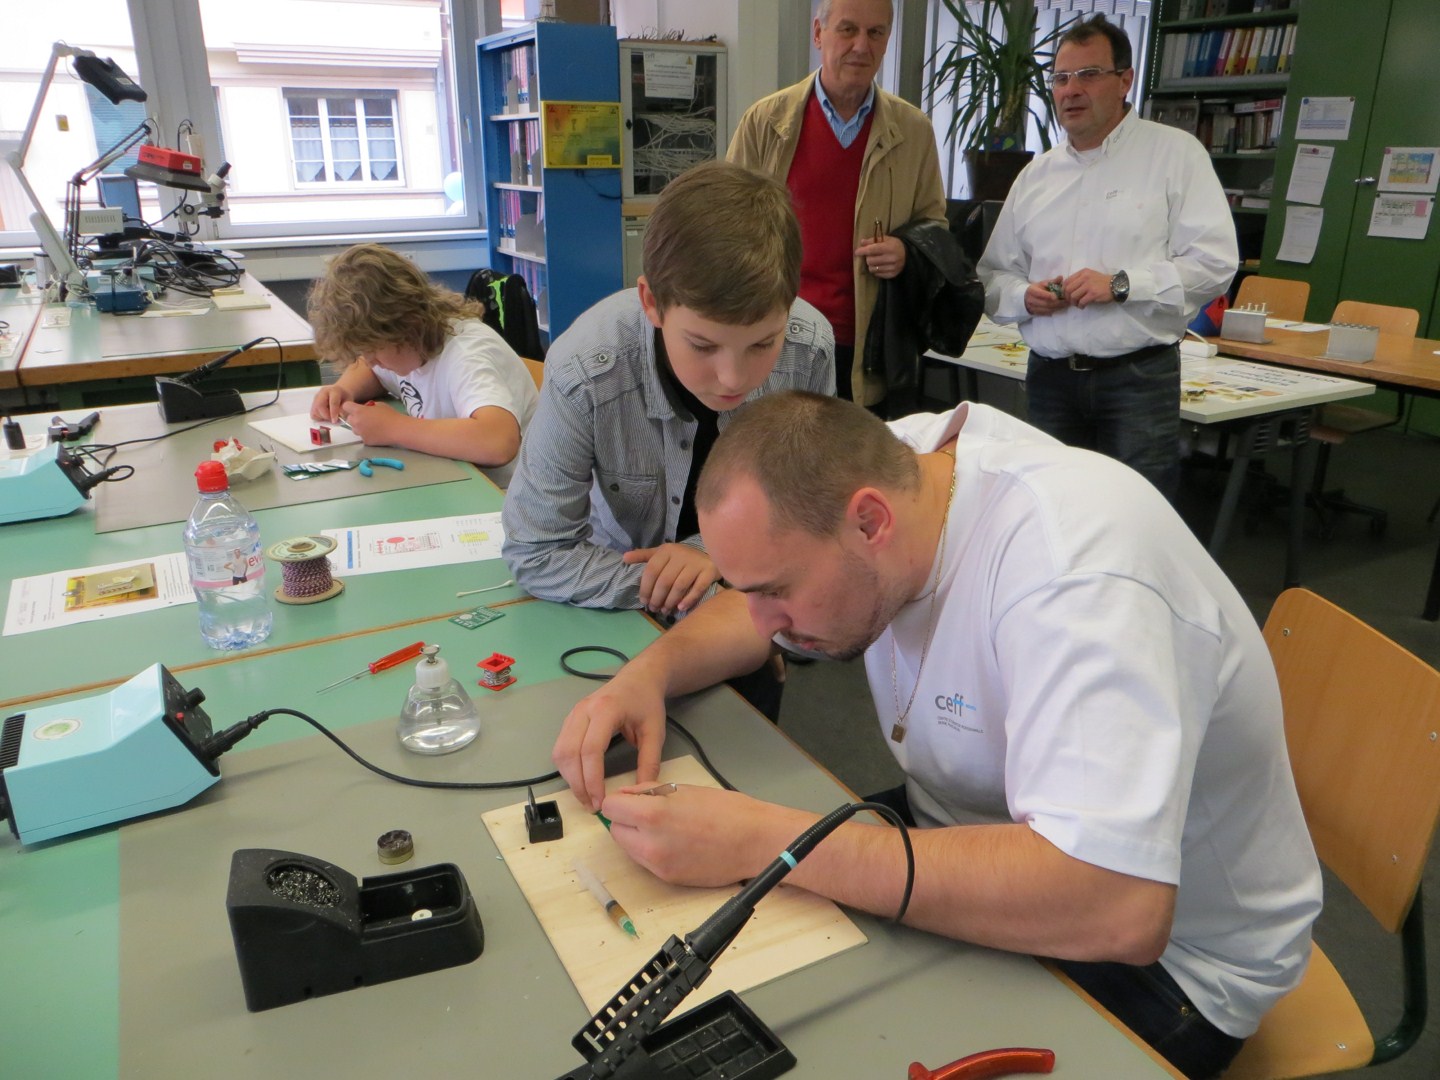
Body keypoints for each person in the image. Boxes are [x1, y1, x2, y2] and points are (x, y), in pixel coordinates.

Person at [552, 390, 1322, 1080]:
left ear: (871, 523)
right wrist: (646, 675)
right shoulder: (901, 464)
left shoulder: (1077, 574)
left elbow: (1117, 905)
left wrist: (766, 844)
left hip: (1169, 960)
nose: (765, 626)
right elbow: (758, 594)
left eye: (778, 593)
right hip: (972, 830)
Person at [501, 161, 834, 621]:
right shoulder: (584, 370)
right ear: (652, 303)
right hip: (619, 594)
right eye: (703, 345)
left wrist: (708, 551)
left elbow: (806, 499)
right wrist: (698, 595)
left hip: (755, 588)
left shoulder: (809, 348)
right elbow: (537, 551)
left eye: (763, 344)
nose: (733, 379)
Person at [976, 15, 1237, 500]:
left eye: (1089, 74)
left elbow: (1215, 263)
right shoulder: (1037, 176)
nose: (1071, 90)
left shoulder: (1175, 155)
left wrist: (1121, 285)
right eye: (1061, 78)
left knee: (1137, 511)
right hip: (1050, 379)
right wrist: (1024, 296)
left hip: (1136, 380)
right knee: (1050, 509)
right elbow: (992, 275)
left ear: (1125, 80)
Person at [727, 0, 945, 407]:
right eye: (848, 30)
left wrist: (906, 251)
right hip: (778, 340)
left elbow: (935, 228)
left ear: (887, 40)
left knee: (857, 449)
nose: (861, 46)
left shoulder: (914, 131)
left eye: (875, 33)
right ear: (817, 33)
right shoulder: (765, 123)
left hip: (867, 348)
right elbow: (726, 229)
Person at [308, 243, 539, 487]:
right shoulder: (406, 349)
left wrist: (394, 428)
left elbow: (498, 442)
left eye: (373, 350)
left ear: (404, 325)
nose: (370, 361)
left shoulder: (467, 355)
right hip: (458, 481)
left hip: (507, 496)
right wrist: (343, 389)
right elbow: (370, 370)